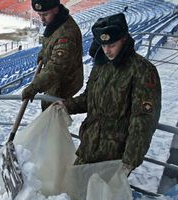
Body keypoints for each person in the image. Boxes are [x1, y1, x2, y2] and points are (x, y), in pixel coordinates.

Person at [57, 13, 161, 175]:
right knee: (72, 192)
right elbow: (88, 98)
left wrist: (129, 161)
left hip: (114, 157)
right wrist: (66, 106)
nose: (106, 50)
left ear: (124, 40)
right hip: (89, 146)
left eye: (112, 45)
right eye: (103, 45)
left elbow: (143, 121)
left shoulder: (142, 71)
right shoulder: (101, 65)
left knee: (101, 199)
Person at [22, 0, 83, 110]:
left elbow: (57, 66)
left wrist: (34, 87)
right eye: (39, 14)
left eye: (45, 14)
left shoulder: (65, 34)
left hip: (63, 84)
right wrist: (44, 53)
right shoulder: (57, 21)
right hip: (56, 82)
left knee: (52, 118)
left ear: (55, 9)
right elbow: (52, 42)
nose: (42, 19)